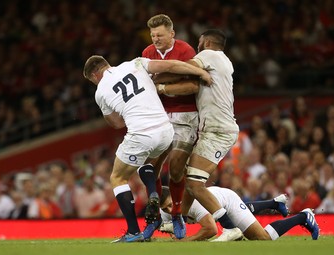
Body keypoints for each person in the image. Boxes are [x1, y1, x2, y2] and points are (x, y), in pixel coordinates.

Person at [83, 55, 211, 242]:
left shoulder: (100, 91)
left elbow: (117, 123)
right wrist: (200, 72)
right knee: (146, 160)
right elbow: (172, 65)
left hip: (141, 134)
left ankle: (134, 231)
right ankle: (153, 192)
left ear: (95, 75)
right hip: (166, 130)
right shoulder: (135, 63)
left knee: (118, 178)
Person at [149, 29, 243, 241]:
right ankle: (179, 216)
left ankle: (229, 227)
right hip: (216, 128)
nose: (197, 47)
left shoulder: (208, 56)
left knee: (194, 183)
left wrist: (156, 80)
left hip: (218, 130)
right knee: (188, 178)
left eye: (199, 43)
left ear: (207, 42)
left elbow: (181, 70)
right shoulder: (226, 61)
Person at [142, 14, 197, 239]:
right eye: (153, 35)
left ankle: (176, 213)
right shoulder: (147, 54)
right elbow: (146, 84)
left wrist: (163, 87)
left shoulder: (186, 51)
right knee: (149, 167)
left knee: (175, 169)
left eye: (160, 35)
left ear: (172, 34)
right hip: (159, 116)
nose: (156, 39)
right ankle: (154, 215)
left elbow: (193, 85)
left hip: (185, 115)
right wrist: (175, 77)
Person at [156, 186, 319, 241]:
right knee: (240, 224)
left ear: (175, 196)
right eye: (165, 209)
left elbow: (211, 229)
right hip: (219, 201)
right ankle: (274, 203)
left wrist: (187, 241)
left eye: (170, 205)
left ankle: (303, 216)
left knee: (262, 237)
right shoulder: (165, 211)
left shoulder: (194, 203)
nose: (169, 211)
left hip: (229, 201)